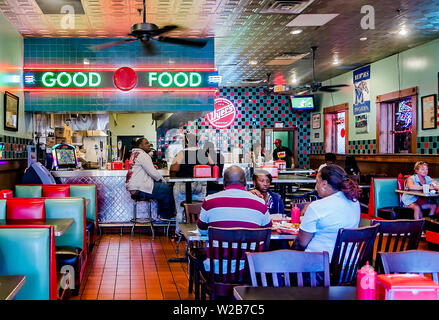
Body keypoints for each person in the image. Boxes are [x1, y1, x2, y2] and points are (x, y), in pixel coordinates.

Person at [291, 164, 361, 261]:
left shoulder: (316, 207)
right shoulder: (355, 202)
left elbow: (301, 242)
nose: (316, 187)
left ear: (324, 184)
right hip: (349, 268)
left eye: (317, 182)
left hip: (319, 269)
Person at [197, 166, 272, 234]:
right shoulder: (260, 202)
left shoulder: (209, 201)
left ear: (223, 182)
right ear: (245, 182)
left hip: (219, 249)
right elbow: (267, 229)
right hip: (250, 249)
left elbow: (202, 231)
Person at [126, 138, 175, 219]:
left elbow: (145, 168)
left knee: (161, 189)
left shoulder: (134, 154)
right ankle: (166, 216)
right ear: (140, 145)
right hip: (140, 188)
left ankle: (161, 214)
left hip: (134, 187)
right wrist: (163, 181)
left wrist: (151, 165)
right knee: (167, 189)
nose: (149, 144)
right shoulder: (143, 155)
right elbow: (153, 173)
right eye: (146, 143)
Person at [170, 134, 208, 231]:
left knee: (180, 210)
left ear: (186, 142)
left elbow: (174, 169)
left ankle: (179, 233)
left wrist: (172, 180)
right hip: (200, 186)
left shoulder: (181, 153)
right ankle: (199, 232)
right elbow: (212, 166)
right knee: (200, 210)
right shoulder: (204, 153)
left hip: (183, 186)